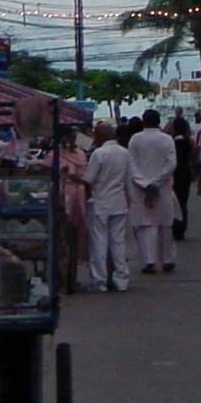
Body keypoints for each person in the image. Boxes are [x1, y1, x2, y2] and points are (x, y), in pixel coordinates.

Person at [81, 122, 131, 292]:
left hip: (100, 202)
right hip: (119, 202)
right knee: (118, 242)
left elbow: (88, 180)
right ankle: (121, 278)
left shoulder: (99, 154)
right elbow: (128, 180)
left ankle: (100, 280)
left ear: (102, 135)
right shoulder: (125, 153)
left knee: (99, 243)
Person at [127, 107, 178, 273]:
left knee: (144, 226)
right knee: (164, 225)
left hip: (141, 189)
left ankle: (149, 262)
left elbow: (131, 165)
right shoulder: (167, 139)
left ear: (144, 121)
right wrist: (157, 182)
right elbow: (171, 164)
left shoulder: (135, 139)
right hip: (162, 188)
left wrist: (145, 183)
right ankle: (167, 260)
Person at [55, 126, 89, 293]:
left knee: (77, 233)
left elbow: (85, 174)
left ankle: (72, 273)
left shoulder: (80, 154)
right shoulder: (54, 154)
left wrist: (75, 177)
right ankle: (63, 277)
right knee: (63, 238)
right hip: (63, 194)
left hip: (78, 194)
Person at [167, 114, 195, 241]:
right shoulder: (188, 141)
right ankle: (181, 228)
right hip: (185, 173)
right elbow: (194, 157)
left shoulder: (170, 141)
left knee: (172, 201)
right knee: (183, 202)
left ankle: (173, 226)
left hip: (173, 173)